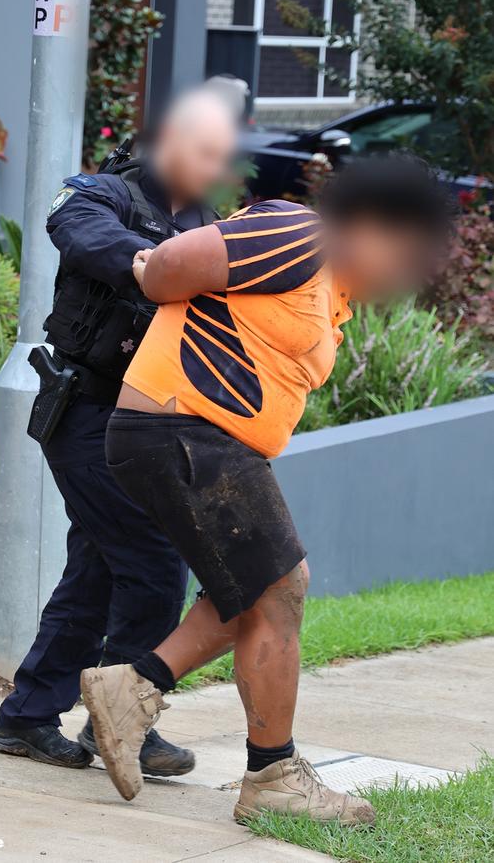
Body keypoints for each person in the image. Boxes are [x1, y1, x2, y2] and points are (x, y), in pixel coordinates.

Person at [79, 155, 455, 823]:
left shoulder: (329, 285)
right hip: (181, 422)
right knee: (280, 588)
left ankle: (131, 688)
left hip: (202, 436)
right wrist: (145, 267)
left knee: (260, 588)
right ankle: (272, 774)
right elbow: (168, 266)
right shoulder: (296, 233)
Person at [0, 89, 238, 776]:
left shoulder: (202, 215)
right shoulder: (107, 194)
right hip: (87, 411)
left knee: (98, 568)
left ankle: (27, 716)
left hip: (144, 418)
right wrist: (147, 263)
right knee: (155, 564)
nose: (212, 166)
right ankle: (121, 719)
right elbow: (74, 228)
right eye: (203, 149)